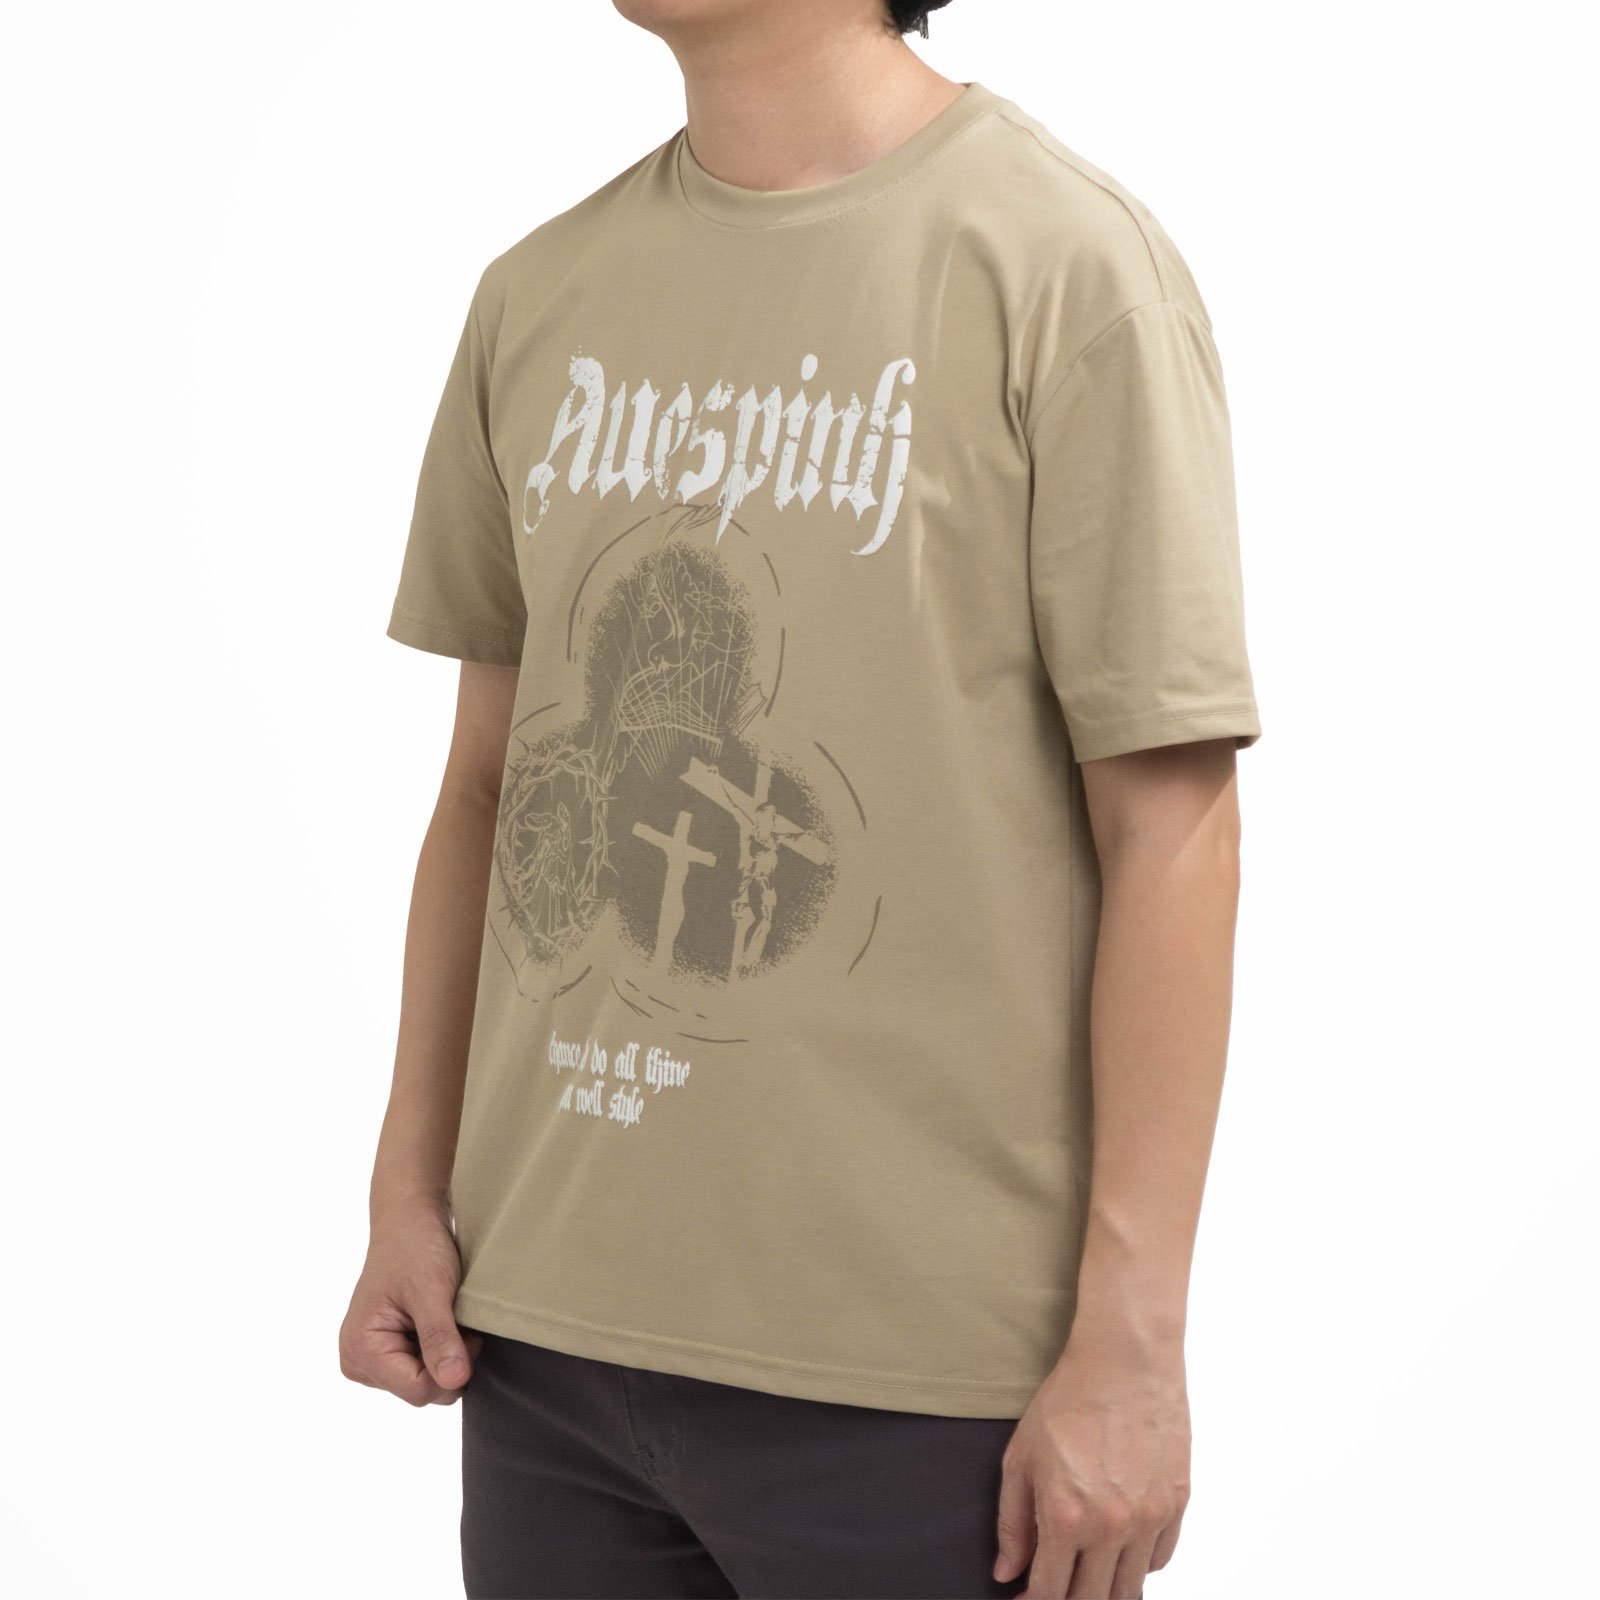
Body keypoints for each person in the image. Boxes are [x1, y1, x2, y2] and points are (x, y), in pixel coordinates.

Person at [339, 1, 1260, 1595]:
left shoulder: (1062, 267)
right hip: (545, 1339)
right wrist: (408, 1187)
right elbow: (490, 789)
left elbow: (1171, 829)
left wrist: (1132, 1341)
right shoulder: (540, 292)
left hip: (926, 1387)